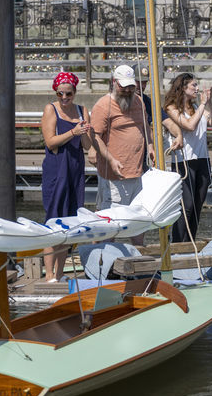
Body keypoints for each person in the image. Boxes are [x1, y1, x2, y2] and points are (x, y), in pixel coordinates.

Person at [90, 64, 154, 246]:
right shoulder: (103, 105)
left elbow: (146, 127)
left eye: (130, 87)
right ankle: (102, 259)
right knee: (111, 222)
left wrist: (150, 146)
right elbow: (95, 137)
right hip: (114, 175)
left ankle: (140, 258)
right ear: (114, 82)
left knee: (138, 221)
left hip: (137, 172)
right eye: (123, 86)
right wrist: (110, 159)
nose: (127, 90)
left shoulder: (139, 102)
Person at [40, 71, 93, 282]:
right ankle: (49, 275)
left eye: (68, 94)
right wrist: (73, 133)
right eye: (60, 93)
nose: (64, 98)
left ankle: (60, 274)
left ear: (74, 92)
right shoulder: (50, 109)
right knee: (53, 221)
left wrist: (86, 131)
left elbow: (87, 146)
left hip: (75, 170)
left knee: (69, 223)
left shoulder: (82, 111)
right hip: (56, 169)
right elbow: (50, 142)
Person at [163, 72, 212, 243]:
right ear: (182, 88)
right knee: (185, 207)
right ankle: (178, 243)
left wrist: (208, 104)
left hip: (202, 159)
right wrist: (203, 104)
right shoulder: (171, 108)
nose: (197, 88)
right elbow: (189, 125)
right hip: (183, 161)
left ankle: (190, 243)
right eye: (193, 85)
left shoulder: (197, 108)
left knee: (196, 206)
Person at [130, 64, 183, 156]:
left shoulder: (148, 102)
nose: (142, 86)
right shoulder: (118, 102)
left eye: (144, 82)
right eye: (138, 82)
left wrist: (179, 135)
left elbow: (168, 123)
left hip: (142, 154)